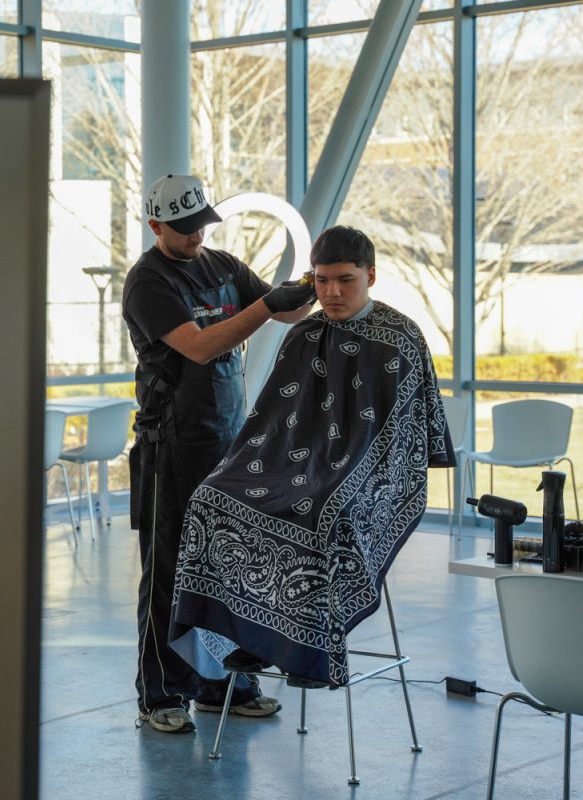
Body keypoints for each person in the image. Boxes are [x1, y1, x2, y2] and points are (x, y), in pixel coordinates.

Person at [167, 225, 456, 689]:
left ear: (372, 276)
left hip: (371, 477)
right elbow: (270, 423)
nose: (333, 292)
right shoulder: (303, 333)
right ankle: (249, 636)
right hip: (288, 468)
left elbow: (402, 440)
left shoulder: (400, 338)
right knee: (210, 498)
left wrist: (338, 475)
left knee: (323, 513)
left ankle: (308, 649)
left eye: (345, 280)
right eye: (321, 281)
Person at [123, 174, 316, 733]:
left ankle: (224, 684)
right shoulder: (148, 282)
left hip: (227, 442)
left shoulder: (223, 266)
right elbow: (203, 346)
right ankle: (159, 694)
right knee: (168, 571)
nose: (195, 238)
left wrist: (314, 285)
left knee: (225, 568)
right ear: (155, 225)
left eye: (201, 225)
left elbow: (285, 312)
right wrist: (268, 305)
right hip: (172, 445)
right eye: (183, 230)